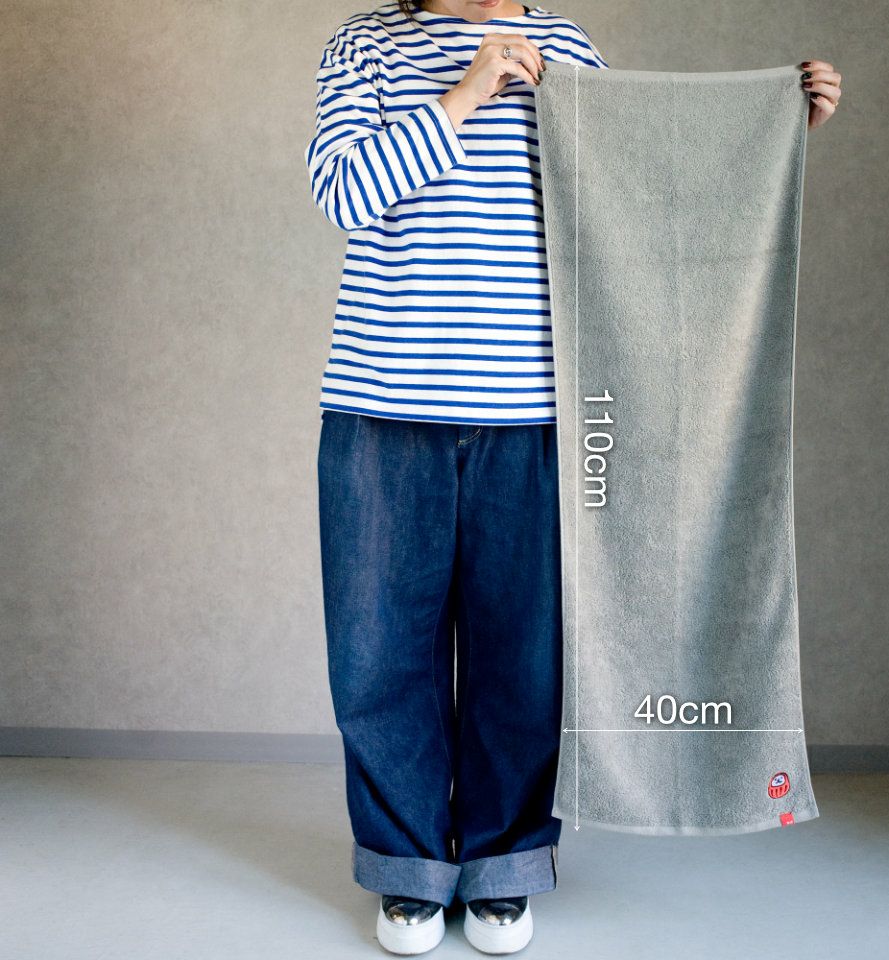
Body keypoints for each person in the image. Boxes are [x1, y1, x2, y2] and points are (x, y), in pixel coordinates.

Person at [304, 1, 842, 954]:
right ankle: (408, 874)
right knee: (379, 660)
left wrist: (773, 128)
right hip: (382, 408)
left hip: (541, 417)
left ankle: (504, 871)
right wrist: (464, 94)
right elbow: (341, 191)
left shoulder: (568, 47)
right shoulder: (367, 43)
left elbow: (644, 195)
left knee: (526, 662)